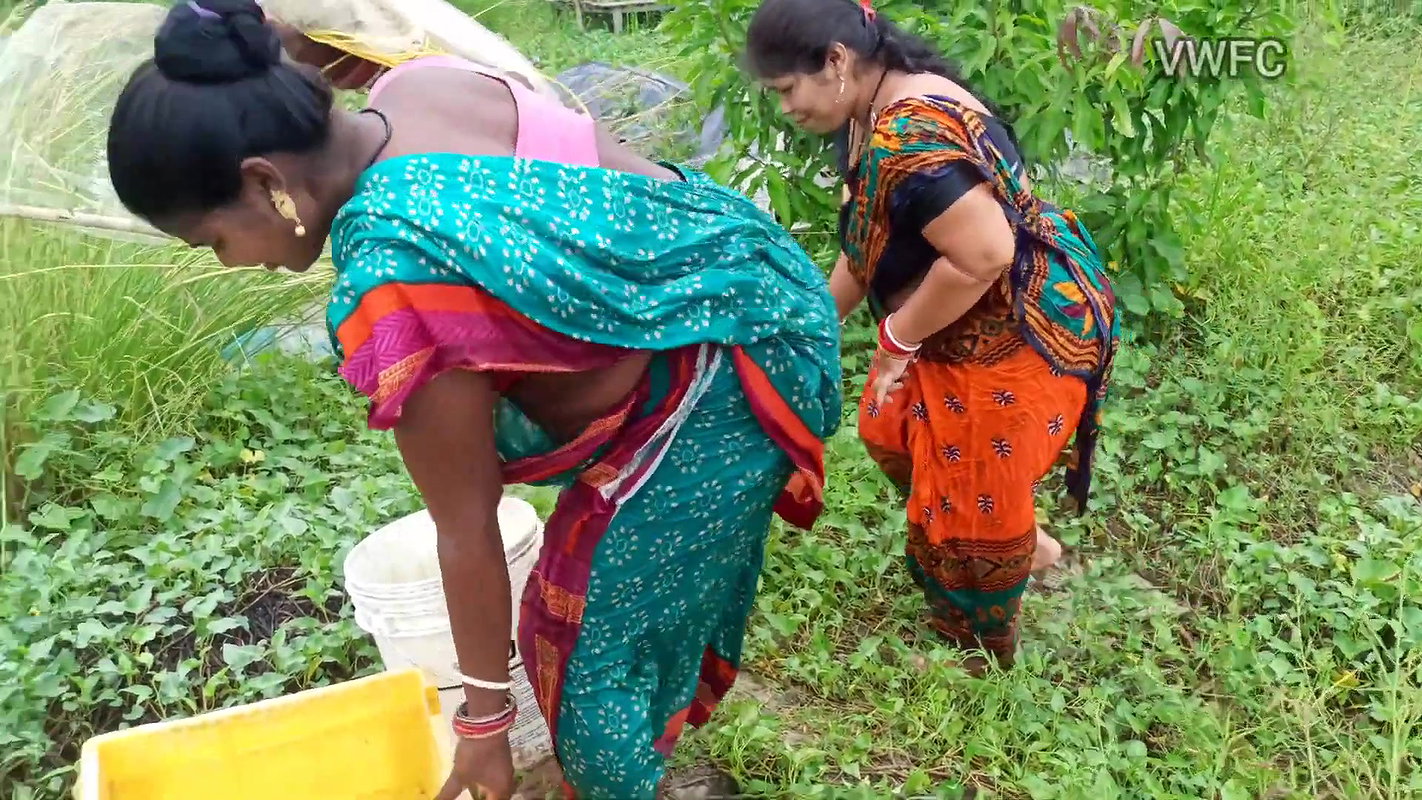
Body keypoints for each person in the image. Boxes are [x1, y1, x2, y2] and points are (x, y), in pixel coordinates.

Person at [105, 2, 842, 798]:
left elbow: (467, 528)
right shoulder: (423, 83)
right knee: (605, 611)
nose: (229, 264)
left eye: (215, 241)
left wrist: (483, 729)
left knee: (588, 685)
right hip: (755, 280)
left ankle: (620, 772)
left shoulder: (395, 277)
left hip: (721, 386)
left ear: (264, 182)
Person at [745, 0, 1119, 672]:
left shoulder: (910, 134)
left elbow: (982, 256)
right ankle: (1031, 549)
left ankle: (979, 646)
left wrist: (896, 339)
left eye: (786, 90)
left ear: (835, 62)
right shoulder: (874, 110)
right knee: (888, 427)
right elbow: (868, 243)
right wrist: (806, 326)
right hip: (958, 319)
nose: (786, 109)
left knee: (973, 500)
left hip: (1010, 330)